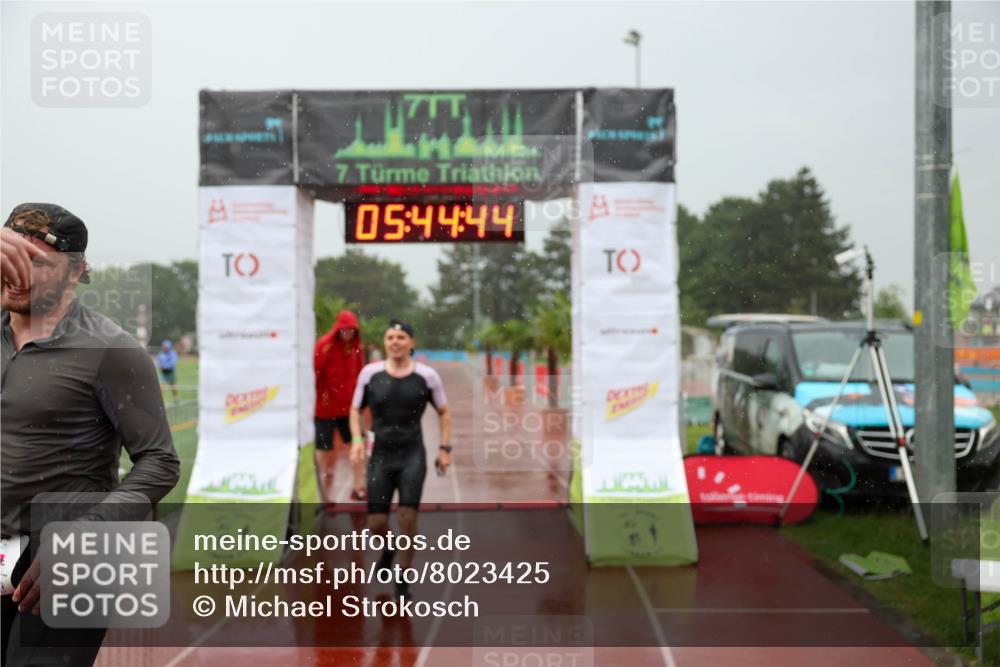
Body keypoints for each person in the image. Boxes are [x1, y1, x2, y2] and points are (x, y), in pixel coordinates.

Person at [0, 203, 180, 667]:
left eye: (38, 262)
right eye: (12, 254)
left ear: (76, 271)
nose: (19, 272)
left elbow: (160, 461)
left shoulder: (111, 349)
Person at [349, 320, 451, 599]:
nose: (395, 342)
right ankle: (389, 547)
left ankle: (403, 575)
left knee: (407, 518)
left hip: (412, 455)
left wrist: (445, 449)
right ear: (385, 342)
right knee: (376, 524)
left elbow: (444, 412)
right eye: (390, 337)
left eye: (401, 337)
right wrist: (357, 440)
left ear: (411, 343)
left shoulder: (427, 376)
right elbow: (354, 409)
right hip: (380, 455)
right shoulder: (370, 374)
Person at [314, 310, 366, 505]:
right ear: (338, 329)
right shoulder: (324, 346)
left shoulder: (356, 348)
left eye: (351, 330)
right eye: (344, 330)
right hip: (325, 409)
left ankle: (358, 487)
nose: (347, 333)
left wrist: (361, 402)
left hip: (348, 409)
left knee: (357, 445)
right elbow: (315, 374)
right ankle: (318, 494)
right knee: (322, 449)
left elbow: (361, 376)